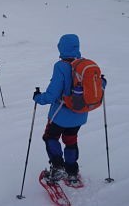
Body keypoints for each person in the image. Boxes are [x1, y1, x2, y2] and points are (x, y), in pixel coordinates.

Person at [33, 34, 88, 186]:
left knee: (50, 137)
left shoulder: (61, 66)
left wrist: (38, 98)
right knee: (71, 140)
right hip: (80, 114)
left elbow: (52, 95)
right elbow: (98, 85)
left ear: (61, 47)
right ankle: (72, 172)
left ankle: (58, 168)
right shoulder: (85, 65)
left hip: (60, 115)